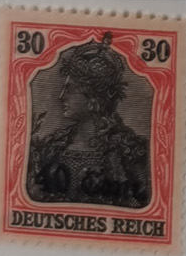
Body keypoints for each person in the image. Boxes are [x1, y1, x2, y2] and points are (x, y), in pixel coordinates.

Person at [24, 33, 152, 209]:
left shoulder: (130, 152)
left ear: (93, 98)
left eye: (70, 89)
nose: (62, 96)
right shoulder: (52, 147)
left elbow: (139, 203)